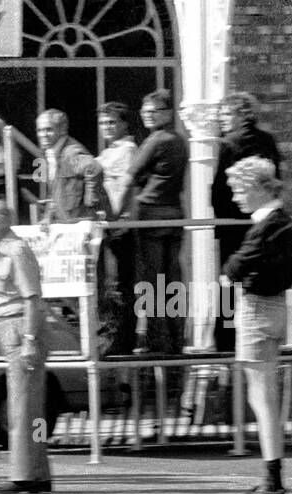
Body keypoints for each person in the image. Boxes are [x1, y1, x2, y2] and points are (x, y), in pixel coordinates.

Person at [223, 157, 292, 494]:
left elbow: (236, 265)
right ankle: (272, 477)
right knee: (265, 394)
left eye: (240, 190)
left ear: (256, 187)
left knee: (262, 397)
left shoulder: (267, 225)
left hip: (258, 308)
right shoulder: (282, 223)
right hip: (276, 306)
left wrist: (232, 271)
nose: (237, 197)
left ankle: (273, 479)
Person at [0, 200, 52, 494]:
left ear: (1, 220)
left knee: (21, 409)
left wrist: (30, 340)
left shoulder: (16, 251)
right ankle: (40, 473)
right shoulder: (2, 251)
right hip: (13, 329)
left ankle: (23, 475)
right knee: (31, 408)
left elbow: (32, 298)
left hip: (21, 329)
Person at [212, 92, 283, 352]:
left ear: (243, 115)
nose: (223, 120)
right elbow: (277, 180)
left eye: (227, 114)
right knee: (258, 279)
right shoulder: (268, 141)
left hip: (233, 224)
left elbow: (219, 189)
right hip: (263, 222)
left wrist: (220, 223)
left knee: (229, 281)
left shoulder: (229, 143)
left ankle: (226, 343)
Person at [124, 89, 189, 355]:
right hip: (174, 212)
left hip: (151, 213)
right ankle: (176, 338)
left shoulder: (155, 140)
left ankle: (157, 340)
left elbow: (131, 176)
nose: (148, 116)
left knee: (152, 280)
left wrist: (118, 212)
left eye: (155, 111)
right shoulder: (179, 140)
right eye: (145, 111)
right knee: (172, 278)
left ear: (168, 113)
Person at [96, 101, 139, 356]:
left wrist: (111, 220)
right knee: (112, 286)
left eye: (112, 122)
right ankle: (114, 338)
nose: (107, 127)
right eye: (103, 123)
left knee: (120, 286)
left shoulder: (127, 150)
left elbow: (123, 188)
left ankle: (122, 341)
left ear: (124, 123)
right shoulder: (110, 151)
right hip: (110, 225)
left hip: (120, 225)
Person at [35, 109, 102, 224]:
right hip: (67, 222)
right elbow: (55, 191)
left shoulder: (70, 152)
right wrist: (48, 217)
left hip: (79, 223)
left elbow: (94, 168)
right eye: (40, 130)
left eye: (48, 129)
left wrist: (89, 205)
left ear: (62, 130)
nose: (43, 135)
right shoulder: (53, 153)